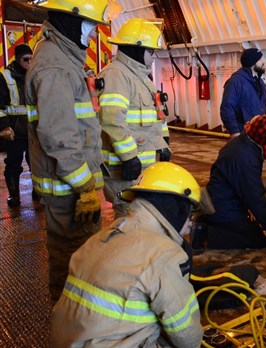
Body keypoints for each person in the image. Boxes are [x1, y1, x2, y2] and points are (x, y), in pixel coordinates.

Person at [25, 0, 120, 302]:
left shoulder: (62, 59)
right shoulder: (54, 66)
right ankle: (69, 326)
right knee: (72, 260)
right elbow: (58, 135)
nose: (94, 33)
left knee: (79, 259)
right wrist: (85, 186)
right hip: (69, 191)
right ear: (71, 20)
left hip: (72, 189)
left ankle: (74, 321)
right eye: (91, 25)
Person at [51, 162, 203, 347]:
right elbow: (188, 339)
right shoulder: (165, 255)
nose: (189, 225)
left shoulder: (100, 237)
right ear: (177, 209)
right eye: (190, 215)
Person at [98, 18, 170, 218]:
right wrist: (129, 157)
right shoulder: (116, 76)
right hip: (126, 170)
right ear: (137, 50)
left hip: (143, 167)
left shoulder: (141, 78)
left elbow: (157, 114)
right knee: (130, 219)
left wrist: (163, 144)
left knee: (143, 217)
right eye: (151, 52)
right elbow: (112, 120)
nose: (154, 57)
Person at [199, 114, 266, 250]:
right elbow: (255, 199)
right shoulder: (245, 158)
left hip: (222, 200)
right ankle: (206, 236)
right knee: (258, 240)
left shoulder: (242, 143)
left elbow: (248, 190)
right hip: (223, 209)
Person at [0, 44, 33, 207]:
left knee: (36, 163)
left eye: (31, 59)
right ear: (17, 59)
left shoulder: (35, 74)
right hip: (14, 131)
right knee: (13, 163)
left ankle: (38, 191)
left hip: (33, 130)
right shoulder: (5, 77)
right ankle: (14, 195)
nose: (29, 62)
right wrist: (4, 127)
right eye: (25, 59)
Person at [220, 47, 266, 138]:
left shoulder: (259, 82)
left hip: (258, 133)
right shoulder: (236, 82)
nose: (263, 61)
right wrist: (234, 132)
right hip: (243, 134)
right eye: (260, 59)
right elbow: (227, 108)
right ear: (252, 63)